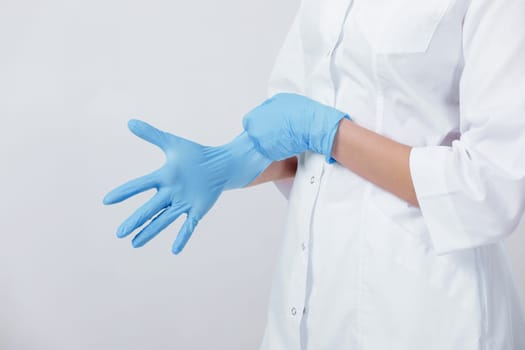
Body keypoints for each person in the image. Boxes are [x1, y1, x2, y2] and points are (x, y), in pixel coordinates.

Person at [103, 0, 525, 348]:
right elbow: (297, 132)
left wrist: (329, 132)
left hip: (422, 308)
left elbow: (490, 190)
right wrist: (228, 164)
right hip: (308, 298)